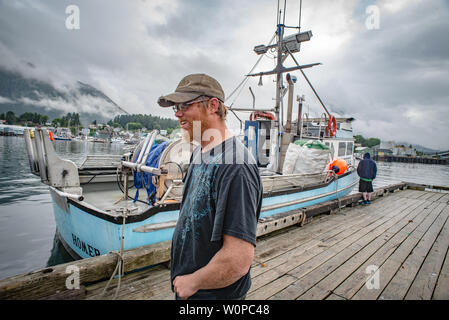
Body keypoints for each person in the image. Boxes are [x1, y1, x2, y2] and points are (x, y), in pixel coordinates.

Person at [157, 73, 263, 300]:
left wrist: (193, 282)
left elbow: (238, 259)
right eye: (175, 107)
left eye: (185, 105)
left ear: (213, 105)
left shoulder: (236, 165)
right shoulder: (200, 153)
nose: (177, 113)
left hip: (213, 296)